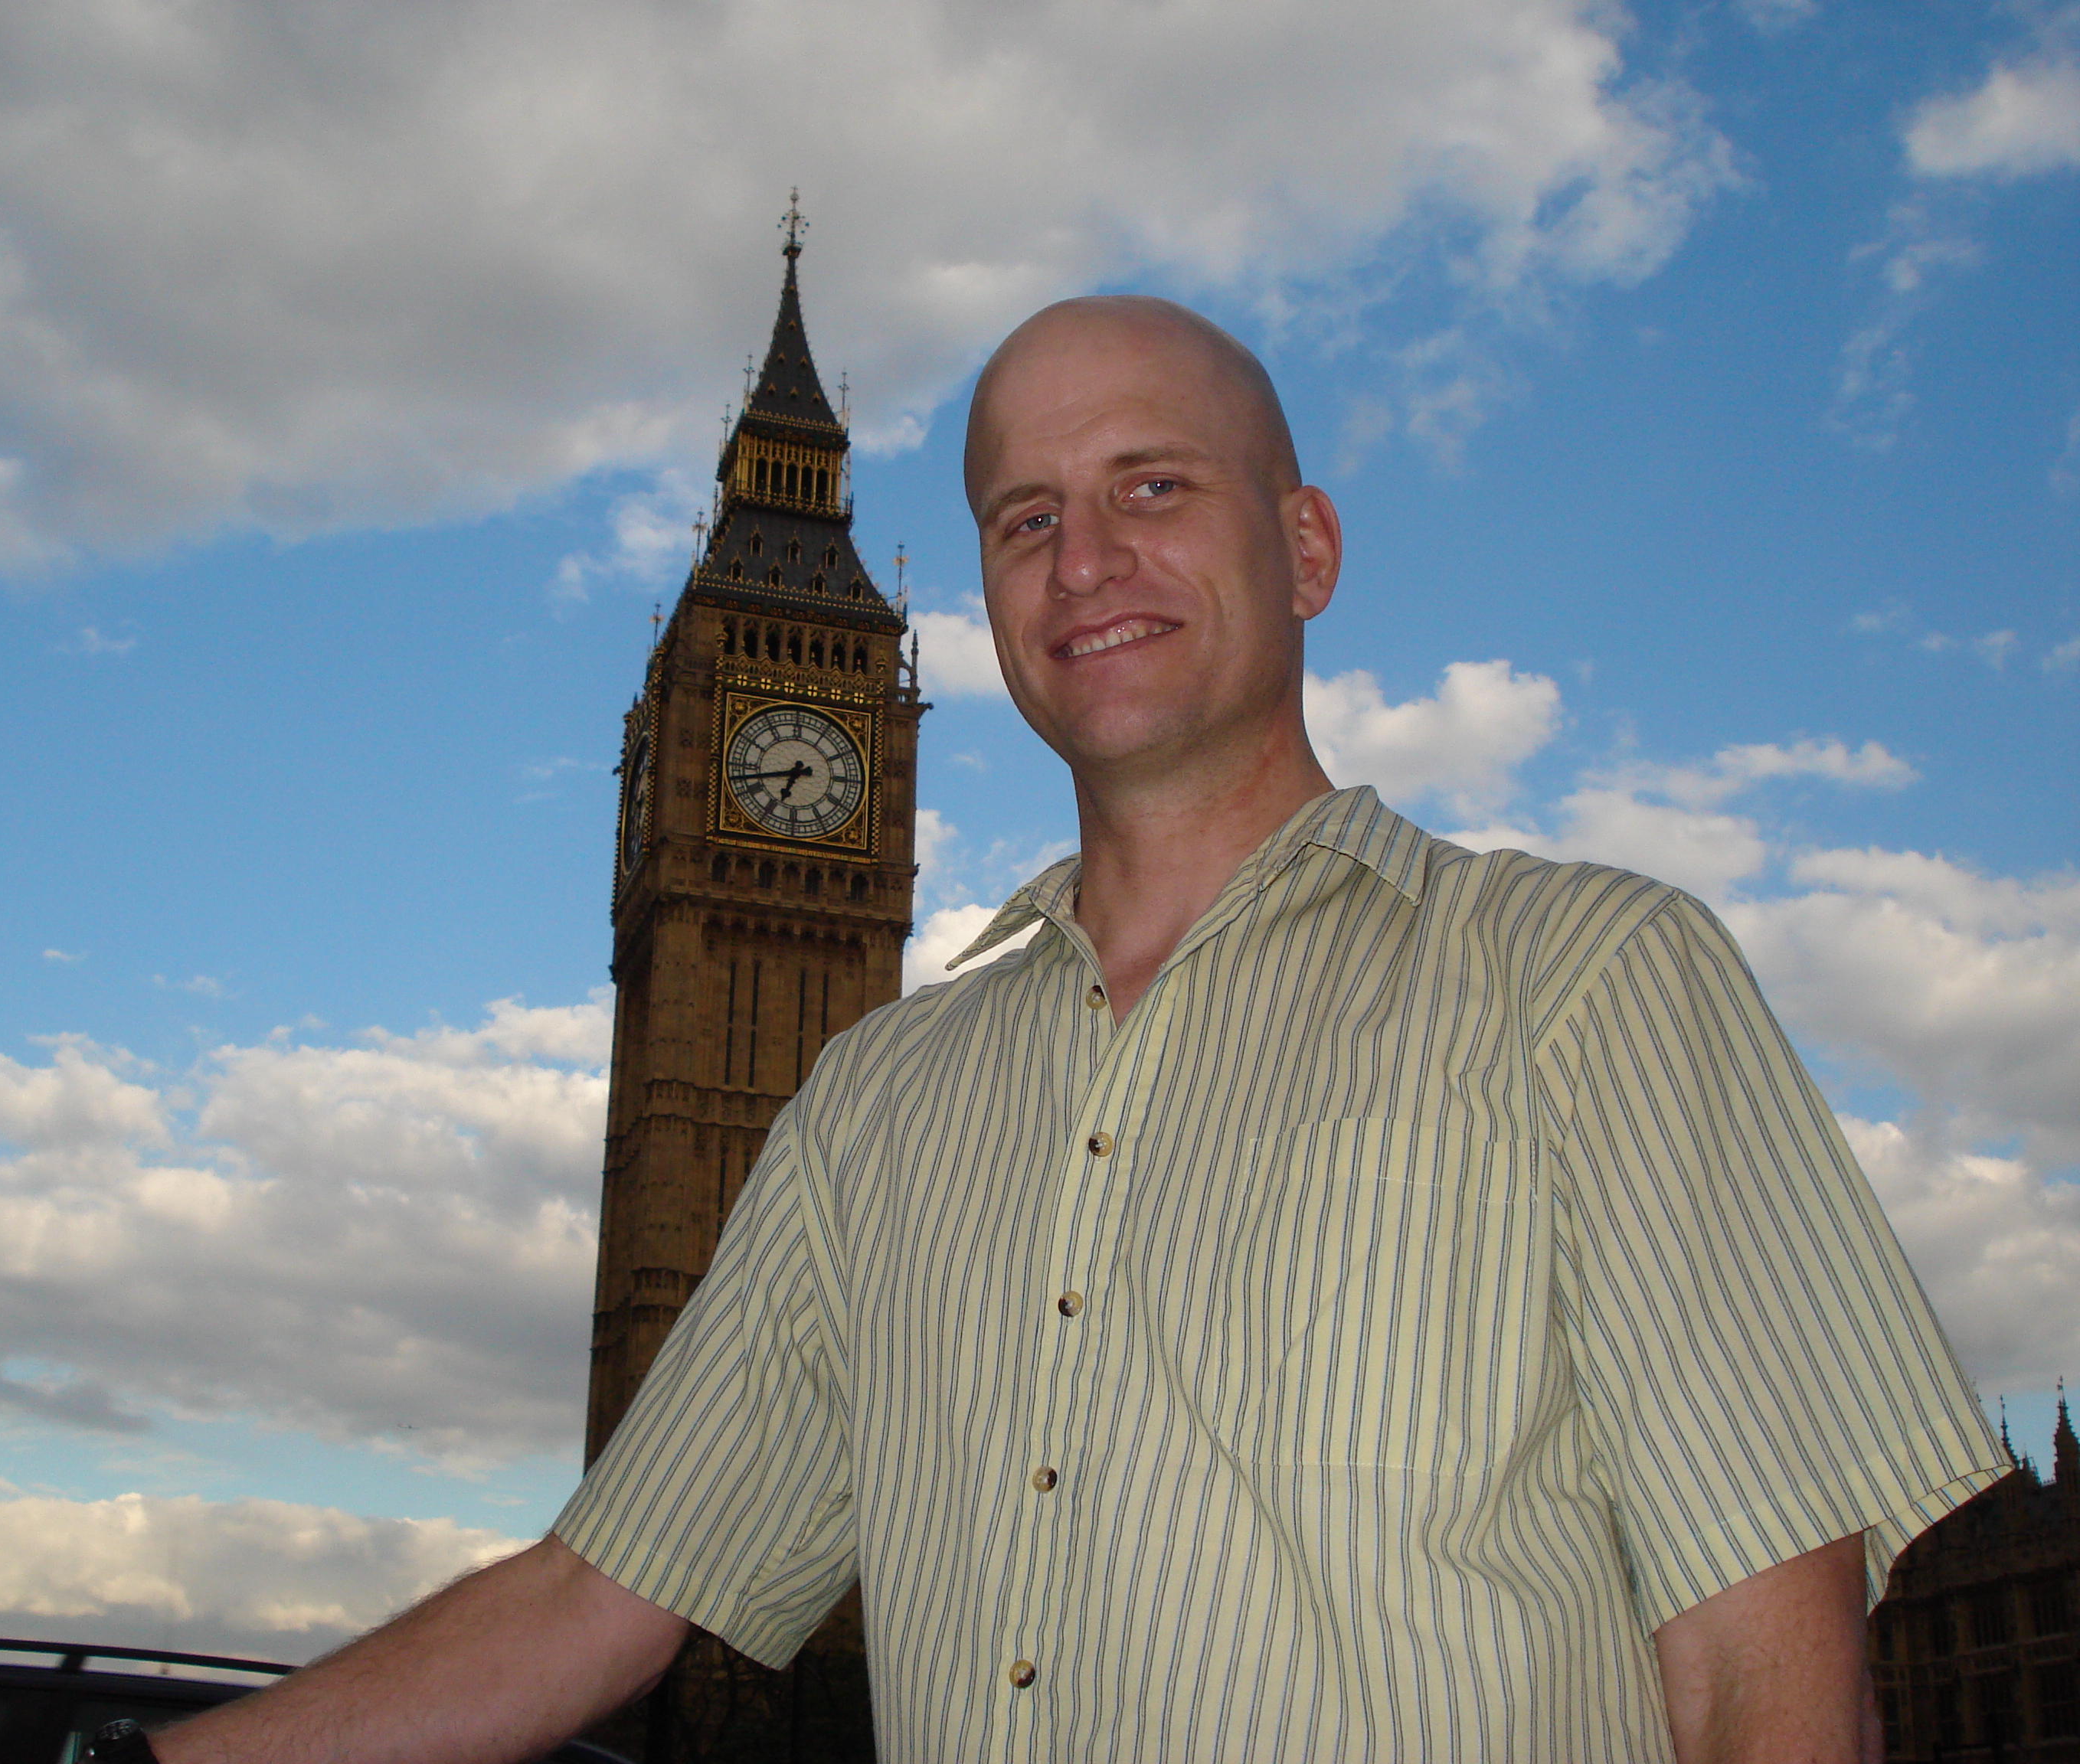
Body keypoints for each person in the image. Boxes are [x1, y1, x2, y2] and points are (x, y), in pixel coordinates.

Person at [156, 297, 2003, 1763]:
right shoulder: (878, 1100)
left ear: (1308, 547)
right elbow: (597, 1594)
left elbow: (1766, 1685)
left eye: (1153, 487)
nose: (1086, 557)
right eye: (1027, 518)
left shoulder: (1593, 981)